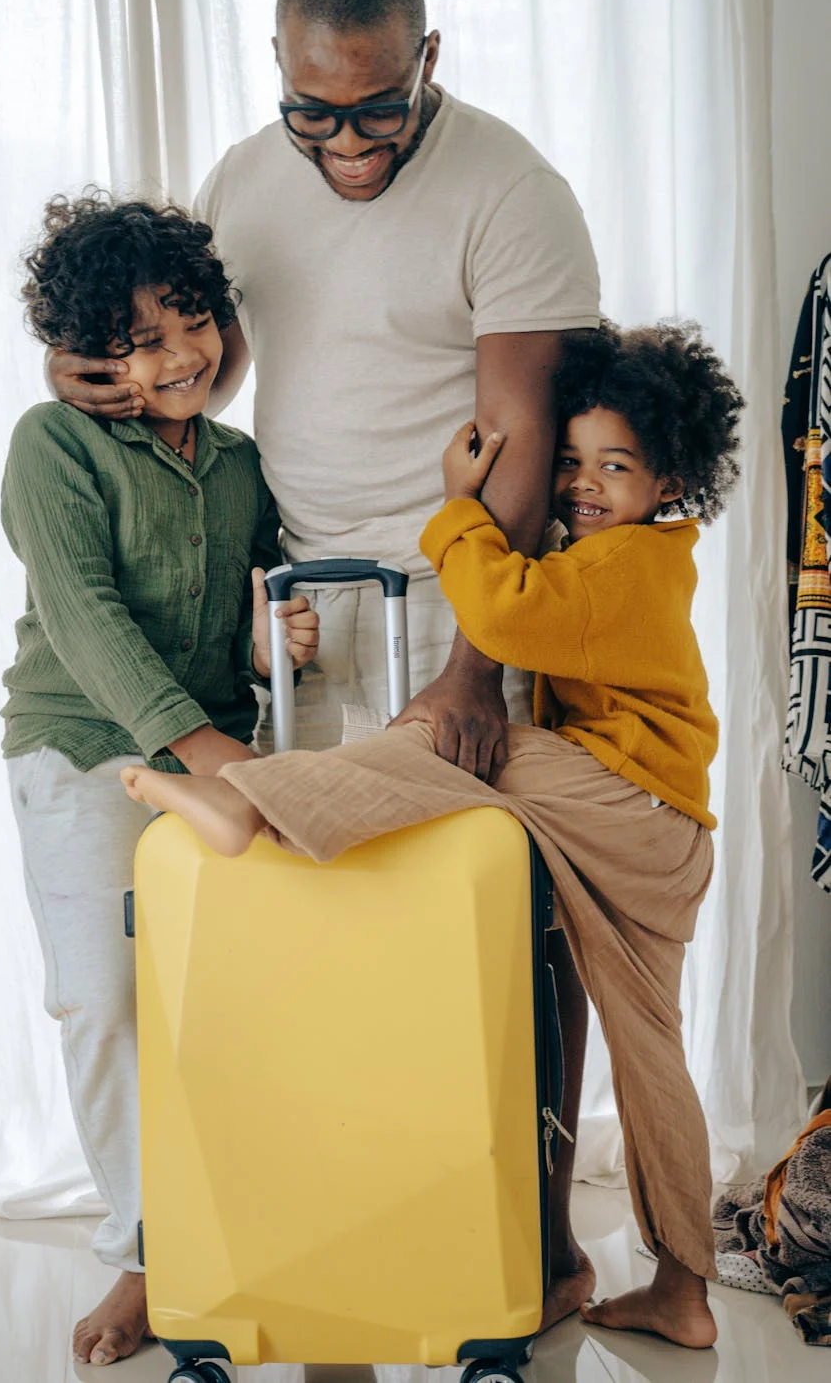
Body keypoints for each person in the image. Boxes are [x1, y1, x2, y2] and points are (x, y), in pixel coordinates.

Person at [48, 0, 602, 1354]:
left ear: (429, 61)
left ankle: (531, 1240)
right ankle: (340, 1221)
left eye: (375, 109)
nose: (345, 143)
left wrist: (477, 666)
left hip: (457, 602)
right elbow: (196, 360)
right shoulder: (242, 181)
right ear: (278, 77)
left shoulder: (510, 190)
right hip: (297, 600)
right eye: (314, 112)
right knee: (328, 931)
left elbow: (524, 433)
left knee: (502, 921)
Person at [121, 320, 746, 1350]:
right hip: (651, 826)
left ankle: (255, 801)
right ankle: (681, 1288)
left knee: (459, 742)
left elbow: (499, 615)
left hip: (629, 811)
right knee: (651, 1058)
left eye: (615, 467)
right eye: (571, 462)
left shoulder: (623, 567)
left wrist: (457, 508)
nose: (583, 486)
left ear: (669, 479)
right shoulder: (620, 553)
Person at [1, 192, 318, 1366]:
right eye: (138, 339)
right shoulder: (53, 445)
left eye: (187, 320)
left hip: (210, 757)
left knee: (226, 1004)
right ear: (89, 352)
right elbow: (81, 618)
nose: (176, 353)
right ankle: (144, 1257)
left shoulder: (242, 465)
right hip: (83, 751)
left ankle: (249, 1220)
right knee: (104, 1001)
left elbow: (237, 612)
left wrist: (261, 644)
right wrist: (205, 747)